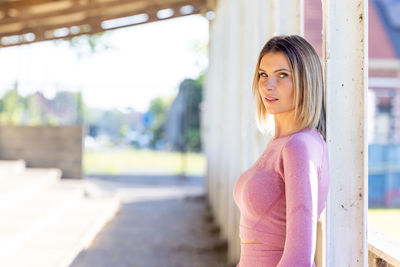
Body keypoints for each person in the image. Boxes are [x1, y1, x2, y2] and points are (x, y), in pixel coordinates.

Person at [233, 35, 330, 267]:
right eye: (263, 74)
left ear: (306, 81)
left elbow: (298, 259)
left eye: (283, 75)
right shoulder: (282, 143)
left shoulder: (299, 146)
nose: (268, 85)